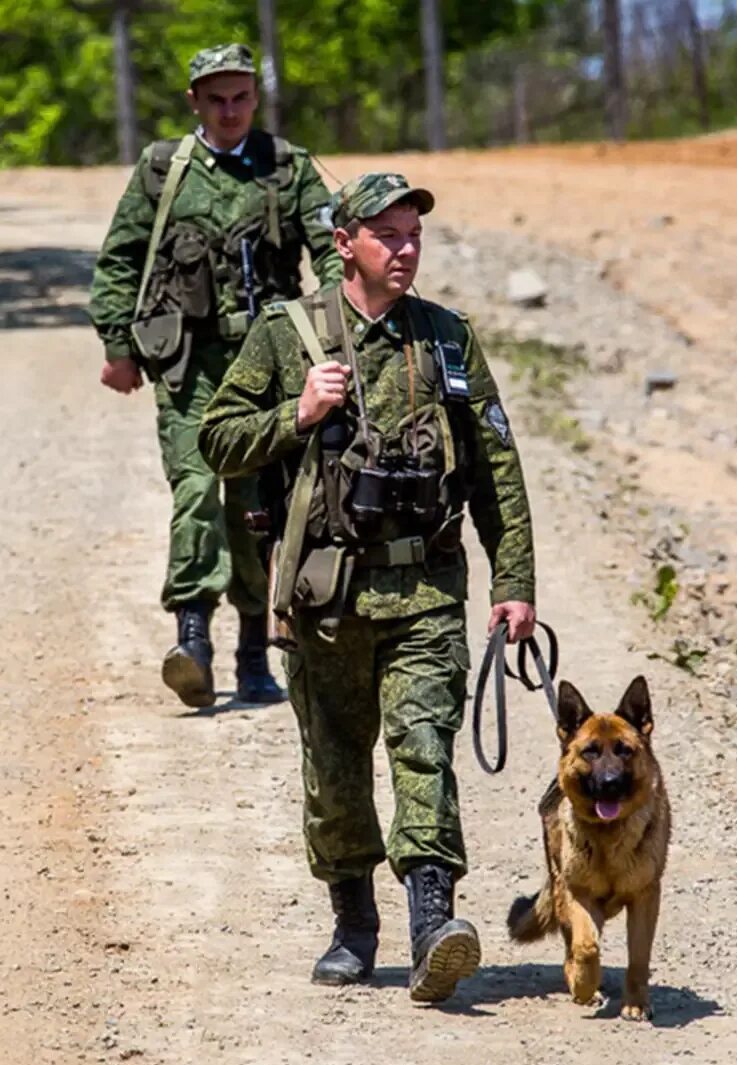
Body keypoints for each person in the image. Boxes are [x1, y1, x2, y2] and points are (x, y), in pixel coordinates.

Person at [197, 173, 537, 1003]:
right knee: (337, 771)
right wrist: (297, 414)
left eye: (415, 234)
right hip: (326, 600)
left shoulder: (447, 339)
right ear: (345, 242)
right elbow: (216, 437)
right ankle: (354, 927)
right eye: (388, 234)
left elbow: (497, 467)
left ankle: (433, 929)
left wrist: (514, 580)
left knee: (424, 749)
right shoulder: (290, 335)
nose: (407, 248)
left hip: (425, 590)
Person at [89, 43, 341, 708]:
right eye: (216, 98)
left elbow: (333, 250)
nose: (230, 110)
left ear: (255, 97)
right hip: (191, 366)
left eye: (241, 97)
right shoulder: (163, 169)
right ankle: (192, 640)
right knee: (196, 490)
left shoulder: (287, 169)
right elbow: (119, 257)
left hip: (269, 366)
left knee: (258, 509)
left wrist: (345, 331)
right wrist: (118, 343)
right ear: (194, 101)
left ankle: (254, 653)